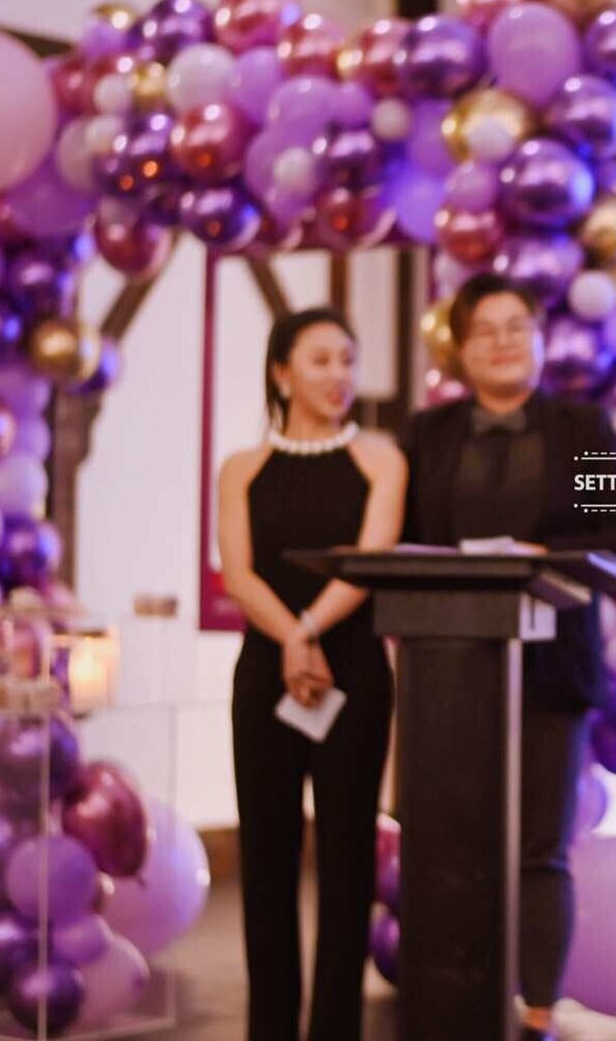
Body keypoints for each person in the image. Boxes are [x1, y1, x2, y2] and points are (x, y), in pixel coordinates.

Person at [402, 274, 616, 1041]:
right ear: (460, 349)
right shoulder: (428, 434)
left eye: (518, 327)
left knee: (541, 847)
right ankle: (458, 1003)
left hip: (552, 669)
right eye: (486, 330)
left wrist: (543, 554)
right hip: (448, 672)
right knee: (454, 848)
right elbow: (406, 540)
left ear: (541, 341)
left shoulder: (584, 426)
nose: (504, 342)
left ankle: (537, 1011)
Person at [217, 307, 407, 1041]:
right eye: (321, 360)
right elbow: (239, 574)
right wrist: (291, 640)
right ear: (281, 372)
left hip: (353, 671)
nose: (339, 376)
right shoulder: (241, 468)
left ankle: (335, 1028)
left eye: (347, 360)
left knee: (348, 855)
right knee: (265, 856)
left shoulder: (380, 458)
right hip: (264, 672)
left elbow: (370, 559)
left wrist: (306, 633)